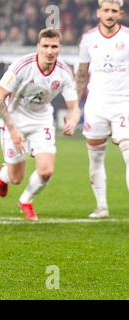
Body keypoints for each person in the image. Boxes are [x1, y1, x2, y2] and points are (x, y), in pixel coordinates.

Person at [0, 28, 81, 221]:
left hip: (41, 121)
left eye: (54, 47)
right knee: (16, 178)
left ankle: (26, 201)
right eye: (46, 46)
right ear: (38, 47)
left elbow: (74, 107)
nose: (50, 51)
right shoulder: (21, 66)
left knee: (46, 170)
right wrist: (12, 128)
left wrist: (73, 121)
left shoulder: (65, 72)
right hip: (14, 120)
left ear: (60, 48)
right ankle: (4, 174)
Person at [76, 0, 129, 219]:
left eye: (113, 11)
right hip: (96, 104)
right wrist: (74, 107)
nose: (109, 14)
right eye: (106, 10)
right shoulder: (88, 39)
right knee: (96, 158)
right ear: (98, 13)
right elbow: (81, 74)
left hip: (124, 103)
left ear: (121, 13)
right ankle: (101, 207)